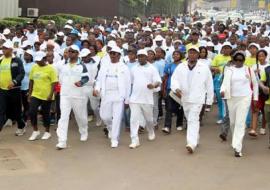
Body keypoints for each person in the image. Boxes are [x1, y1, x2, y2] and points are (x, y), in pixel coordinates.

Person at [171, 46, 214, 153]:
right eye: (190, 53)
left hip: (198, 98)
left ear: (198, 55)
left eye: (195, 53)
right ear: (187, 54)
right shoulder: (181, 66)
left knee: (193, 119)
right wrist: (176, 88)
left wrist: (209, 101)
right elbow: (174, 79)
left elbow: (209, 84)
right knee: (190, 118)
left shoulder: (204, 67)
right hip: (184, 98)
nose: (192, 55)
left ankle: (191, 143)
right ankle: (196, 138)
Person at [221, 51, 258, 157]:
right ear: (233, 60)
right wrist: (222, 91)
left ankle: (238, 148)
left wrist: (255, 98)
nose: (238, 62)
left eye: (241, 60)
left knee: (240, 122)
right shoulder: (229, 70)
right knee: (232, 122)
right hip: (231, 98)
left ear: (244, 60)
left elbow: (255, 85)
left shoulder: (248, 69)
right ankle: (235, 140)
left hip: (244, 98)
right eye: (236, 60)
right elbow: (224, 83)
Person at [94, 46, 131, 148]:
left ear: (119, 55)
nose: (112, 55)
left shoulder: (124, 67)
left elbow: (128, 84)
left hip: (119, 95)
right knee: (104, 116)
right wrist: (97, 88)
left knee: (117, 118)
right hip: (106, 94)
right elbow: (99, 80)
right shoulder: (104, 66)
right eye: (111, 53)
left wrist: (127, 99)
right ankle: (109, 127)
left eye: (115, 54)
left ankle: (114, 139)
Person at [56, 45, 89, 149]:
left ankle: (83, 131)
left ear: (77, 54)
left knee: (80, 117)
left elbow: (86, 77)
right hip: (65, 95)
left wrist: (81, 82)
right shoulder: (63, 65)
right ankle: (62, 141)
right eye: (69, 51)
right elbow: (60, 79)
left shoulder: (82, 65)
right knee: (63, 117)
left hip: (78, 95)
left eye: (73, 52)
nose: (70, 53)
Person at [129, 49, 161, 148]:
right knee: (133, 120)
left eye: (143, 56)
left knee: (149, 120)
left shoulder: (152, 68)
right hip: (134, 99)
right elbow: (130, 83)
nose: (140, 58)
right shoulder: (134, 68)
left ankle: (151, 131)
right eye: (139, 56)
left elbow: (158, 81)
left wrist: (153, 85)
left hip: (147, 99)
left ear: (146, 57)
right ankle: (135, 140)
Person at [28, 51, 58, 141]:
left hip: (46, 95)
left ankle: (47, 132)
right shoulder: (34, 67)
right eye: (36, 60)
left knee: (45, 114)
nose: (37, 62)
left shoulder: (51, 69)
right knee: (32, 112)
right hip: (35, 94)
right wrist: (29, 94)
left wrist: (51, 94)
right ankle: (35, 130)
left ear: (44, 59)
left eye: (39, 60)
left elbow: (54, 82)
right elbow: (31, 81)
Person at [0, 41, 26, 136]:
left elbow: (21, 73)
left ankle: (21, 126)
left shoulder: (17, 60)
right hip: (2, 90)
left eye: (5, 48)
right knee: (1, 110)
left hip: (14, 89)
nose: (3, 50)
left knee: (17, 111)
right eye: (2, 48)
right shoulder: (1, 59)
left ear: (11, 49)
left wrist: (14, 81)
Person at [162, 50, 184, 134]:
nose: (175, 56)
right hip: (169, 88)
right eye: (174, 54)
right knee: (169, 108)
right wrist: (163, 89)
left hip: (180, 89)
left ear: (180, 55)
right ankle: (167, 126)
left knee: (180, 107)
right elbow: (165, 77)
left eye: (177, 54)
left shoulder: (183, 65)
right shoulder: (169, 65)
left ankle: (179, 124)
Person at [249, 50, 269, 137]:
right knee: (255, 109)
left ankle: (263, 128)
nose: (261, 57)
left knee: (265, 111)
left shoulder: (268, 66)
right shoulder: (254, 66)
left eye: (262, 56)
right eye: (259, 56)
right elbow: (251, 79)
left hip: (266, 91)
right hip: (257, 91)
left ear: (265, 56)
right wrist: (254, 72)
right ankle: (253, 129)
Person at [211, 42, 232, 124]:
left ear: (231, 49)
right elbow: (212, 66)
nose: (226, 49)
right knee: (220, 100)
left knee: (229, 99)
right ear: (222, 49)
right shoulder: (217, 57)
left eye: (228, 48)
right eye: (225, 48)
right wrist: (215, 69)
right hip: (218, 80)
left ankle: (229, 117)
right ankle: (221, 117)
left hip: (230, 81)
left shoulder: (233, 57)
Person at [80, 48, 102, 127]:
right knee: (82, 107)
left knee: (94, 107)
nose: (84, 59)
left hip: (92, 87)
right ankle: (84, 124)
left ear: (89, 55)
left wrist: (96, 88)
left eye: (85, 57)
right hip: (82, 87)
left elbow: (98, 77)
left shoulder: (96, 63)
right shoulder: (80, 64)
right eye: (82, 57)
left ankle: (99, 117)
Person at [21, 50, 35, 122]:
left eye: (27, 55)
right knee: (23, 103)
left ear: (31, 56)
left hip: (29, 87)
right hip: (21, 86)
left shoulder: (34, 65)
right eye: (25, 55)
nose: (25, 56)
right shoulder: (22, 63)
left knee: (28, 104)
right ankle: (25, 117)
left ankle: (26, 118)